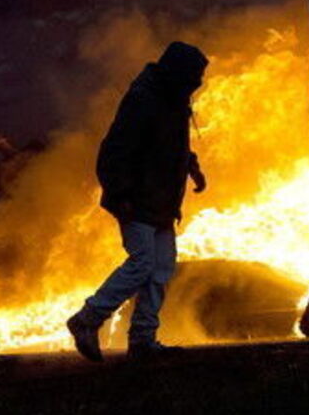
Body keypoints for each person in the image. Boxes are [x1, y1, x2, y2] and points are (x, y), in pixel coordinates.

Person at [67, 42, 208, 362]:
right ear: (177, 72)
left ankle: (143, 339)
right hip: (138, 200)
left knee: (160, 269)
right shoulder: (143, 100)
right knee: (142, 263)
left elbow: (172, 144)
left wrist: (192, 167)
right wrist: (121, 196)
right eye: (193, 78)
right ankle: (86, 320)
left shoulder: (173, 99)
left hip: (161, 202)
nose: (195, 85)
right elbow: (114, 152)